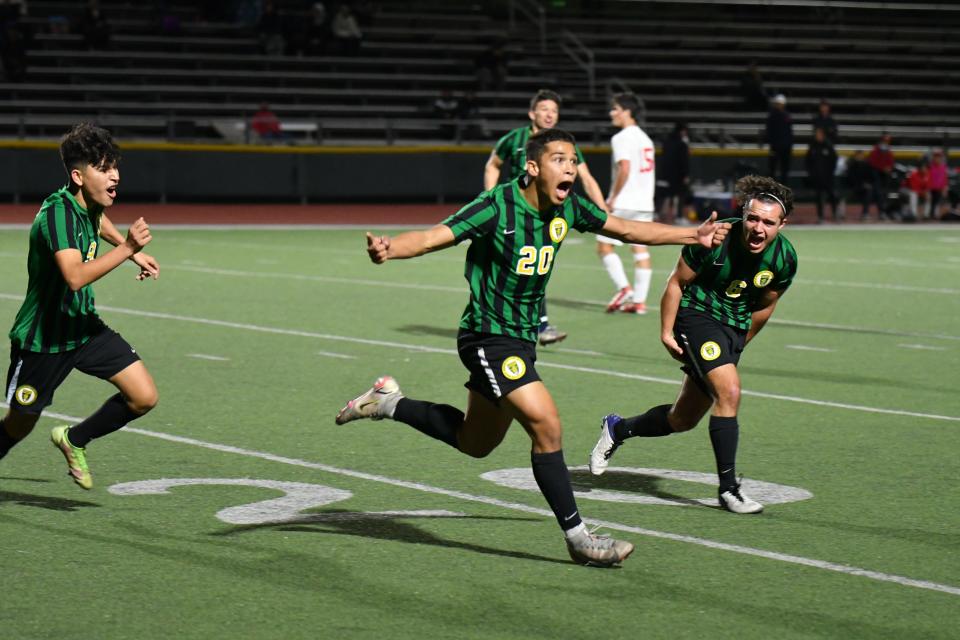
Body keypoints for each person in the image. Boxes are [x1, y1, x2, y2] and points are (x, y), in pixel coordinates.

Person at [335, 128, 730, 566]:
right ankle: (580, 538)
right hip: (487, 336)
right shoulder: (496, 206)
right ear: (533, 166)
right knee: (547, 425)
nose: (571, 167)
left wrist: (692, 236)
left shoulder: (569, 208)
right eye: (560, 159)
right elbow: (432, 237)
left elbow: (624, 228)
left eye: (575, 160)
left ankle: (389, 403)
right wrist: (390, 249)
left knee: (474, 441)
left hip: (520, 341)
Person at [589, 174, 798, 515]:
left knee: (681, 419)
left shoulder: (785, 259)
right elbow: (676, 284)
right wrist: (667, 331)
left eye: (769, 223)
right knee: (729, 392)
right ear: (743, 214)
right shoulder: (716, 239)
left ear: (782, 224)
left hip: (732, 328)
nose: (759, 228)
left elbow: (765, 304)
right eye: (753, 218)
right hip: (697, 316)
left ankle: (618, 428)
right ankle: (729, 490)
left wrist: (740, 343)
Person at [1, 123, 160, 489]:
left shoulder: (87, 202)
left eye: (115, 167)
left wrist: (133, 254)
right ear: (78, 175)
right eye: (104, 169)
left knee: (143, 397)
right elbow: (74, 276)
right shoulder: (56, 214)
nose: (115, 175)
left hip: (83, 329)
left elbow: (99, 221)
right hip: (43, 340)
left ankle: (74, 439)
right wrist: (128, 250)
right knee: (20, 422)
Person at [484, 89, 609, 345]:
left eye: (554, 110)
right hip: (515, 213)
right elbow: (493, 165)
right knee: (521, 268)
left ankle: (535, 325)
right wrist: (490, 200)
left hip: (547, 214)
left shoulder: (562, 146)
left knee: (534, 267)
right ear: (532, 113)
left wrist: (603, 210)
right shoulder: (515, 138)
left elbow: (586, 177)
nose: (550, 114)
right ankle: (523, 324)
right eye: (544, 109)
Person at [598, 93, 656, 315]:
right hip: (644, 203)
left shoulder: (621, 137)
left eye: (615, 109)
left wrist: (612, 198)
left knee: (604, 246)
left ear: (626, 111)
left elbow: (624, 167)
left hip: (625, 201)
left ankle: (624, 289)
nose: (612, 113)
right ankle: (639, 302)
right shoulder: (645, 138)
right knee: (640, 250)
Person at [804, 127, 838, 222]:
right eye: (816, 134)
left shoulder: (828, 145)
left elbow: (834, 159)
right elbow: (808, 161)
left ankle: (835, 214)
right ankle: (820, 216)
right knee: (818, 197)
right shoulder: (813, 146)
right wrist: (811, 173)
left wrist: (830, 172)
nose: (818, 136)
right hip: (817, 177)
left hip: (828, 177)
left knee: (832, 195)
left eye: (819, 134)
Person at [659, 122, 690, 225]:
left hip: (664, 173)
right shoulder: (682, 144)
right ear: (682, 131)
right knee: (680, 195)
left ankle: (658, 215)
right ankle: (679, 217)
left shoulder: (666, 142)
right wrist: (685, 175)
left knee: (663, 195)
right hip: (677, 175)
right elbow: (683, 161)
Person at [765, 94, 793, 186]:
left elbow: (789, 132)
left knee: (784, 170)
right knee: (772, 169)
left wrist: (789, 145)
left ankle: (783, 189)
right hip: (775, 146)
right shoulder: (772, 116)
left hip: (785, 147)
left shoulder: (786, 115)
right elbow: (769, 132)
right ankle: (771, 189)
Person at [867, 133, 895, 220]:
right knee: (876, 194)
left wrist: (889, 167)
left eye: (888, 140)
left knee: (884, 194)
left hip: (885, 176)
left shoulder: (888, 149)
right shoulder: (877, 149)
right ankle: (871, 213)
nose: (887, 141)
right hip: (876, 175)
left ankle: (883, 212)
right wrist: (883, 168)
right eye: (885, 139)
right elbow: (872, 161)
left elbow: (891, 161)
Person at [844, 149, 873, 219]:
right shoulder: (851, 164)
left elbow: (869, 176)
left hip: (862, 187)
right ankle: (841, 213)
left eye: (861, 155)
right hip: (852, 186)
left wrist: (867, 184)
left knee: (868, 192)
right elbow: (850, 177)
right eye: (858, 155)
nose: (860, 157)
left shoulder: (866, 164)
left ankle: (865, 214)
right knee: (844, 197)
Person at [928, 149, 950, 219]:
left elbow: (945, 179)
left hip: (940, 189)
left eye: (939, 156)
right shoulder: (930, 167)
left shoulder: (943, 167)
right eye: (935, 156)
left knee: (941, 199)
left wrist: (945, 187)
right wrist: (927, 189)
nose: (937, 158)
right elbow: (927, 178)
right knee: (931, 201)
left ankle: (939, 216)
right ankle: (929, 216)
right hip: (931, 189)